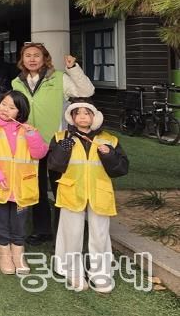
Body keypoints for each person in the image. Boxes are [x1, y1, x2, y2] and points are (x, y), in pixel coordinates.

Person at [11, 43, 95, 246]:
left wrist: (73, 68)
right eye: (28, 55)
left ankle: (62, 230)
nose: (32, 59)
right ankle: (42, 230)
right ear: (22, 59)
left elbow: (87, 90)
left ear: (45, 58)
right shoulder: (17, 82)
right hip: (31, 142)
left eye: (36, 55)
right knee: (36, 187)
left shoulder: (59, 77)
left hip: (57, 142)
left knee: (60, 187)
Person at [49, 100, 129, 293]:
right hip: (71, 191)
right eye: (78, 113)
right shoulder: (61, 137)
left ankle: (101, 274)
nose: (82, 117)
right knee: (71, 233)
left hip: (99, 193)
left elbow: (121, 168)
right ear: (71, 117)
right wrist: (65, 147)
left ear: (95, 116)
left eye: (87, 113)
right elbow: (54, 165)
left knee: (100, 235)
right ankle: (71, 271)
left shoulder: (109, 140)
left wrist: (109, 155)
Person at [0, 91, 48, 275]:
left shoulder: (28, 130)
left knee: (20, 222)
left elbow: (39, 153)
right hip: (0, 185)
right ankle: (4, 253)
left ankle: (18, 253)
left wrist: (33, 136)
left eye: (12, 107)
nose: (5, 109)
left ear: (20, 111)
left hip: (22, 187)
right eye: (3, 104)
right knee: (0, 220)